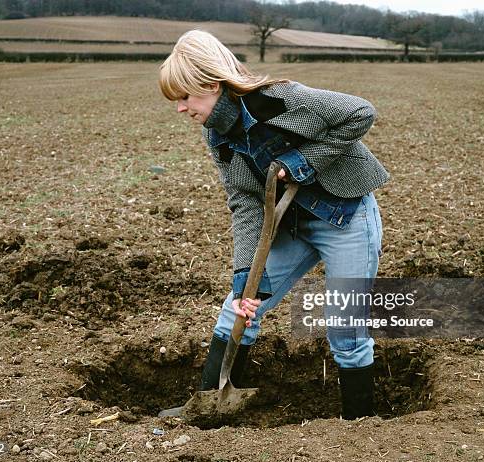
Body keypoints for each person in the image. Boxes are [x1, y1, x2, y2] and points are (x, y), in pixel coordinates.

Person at [158, 30, 389, 419]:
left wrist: (300, 162)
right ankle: (208, 408)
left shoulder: (283, 99)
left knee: (345, 331)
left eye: (184, 97)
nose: (180, 109)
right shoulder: (217, 135)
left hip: (345, 217)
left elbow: (360, 113)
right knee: (239, 311)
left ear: (211, 84)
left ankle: (359, 424)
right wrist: (245, 277)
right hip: (290, 226)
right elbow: (245, 201)